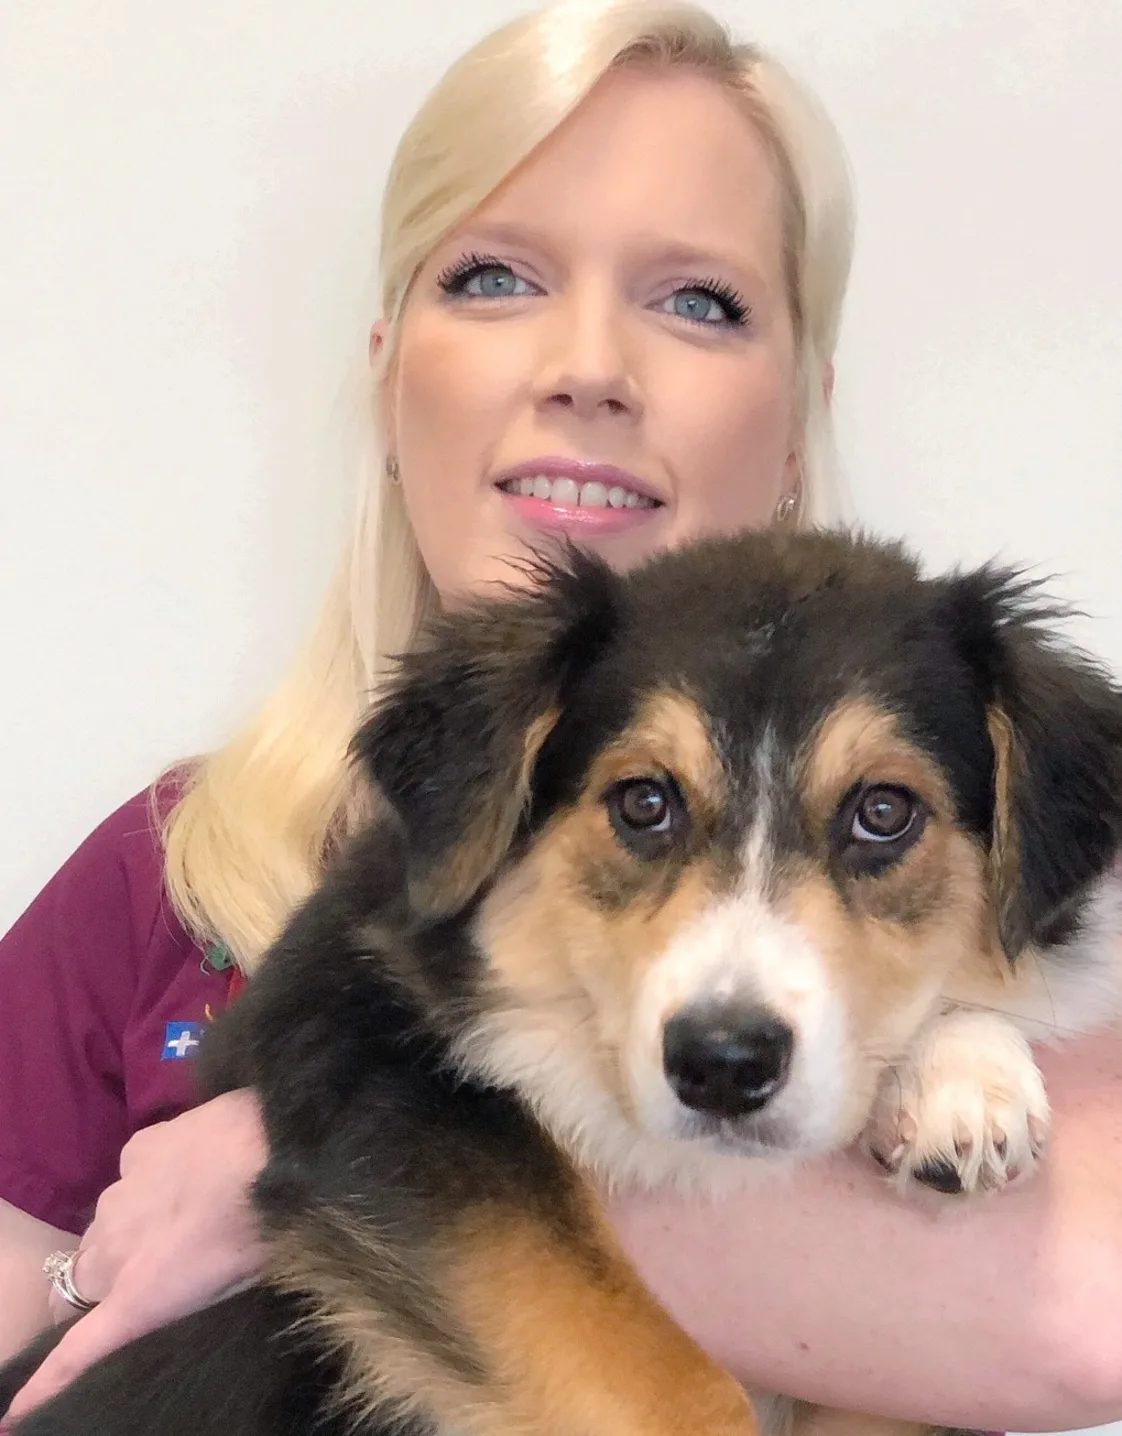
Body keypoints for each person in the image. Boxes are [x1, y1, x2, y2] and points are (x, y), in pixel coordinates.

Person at [3, 2, 1122, 1432]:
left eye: (697, 299)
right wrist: (96, 1274)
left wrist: (289, 1162)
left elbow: (1084, 1313)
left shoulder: (1032, 860)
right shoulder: (152, 872)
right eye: (493, 276)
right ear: (387, 370)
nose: (588, 365)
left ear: (798, 407)